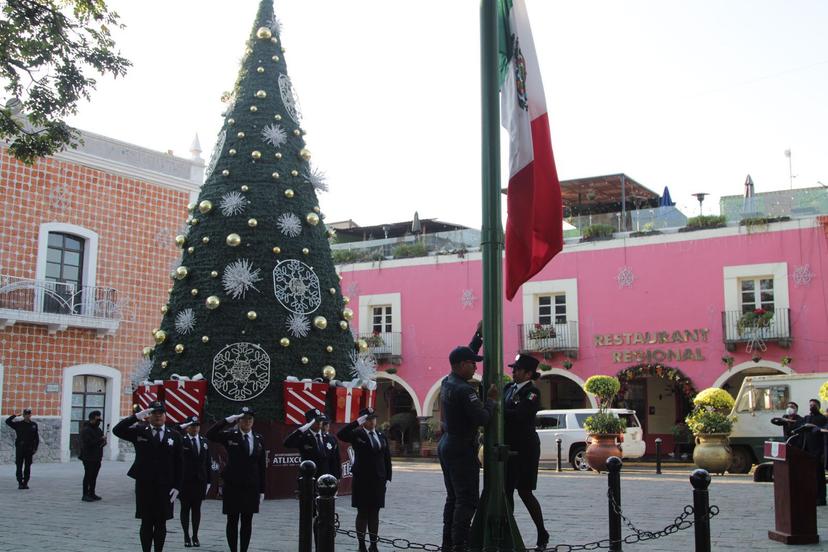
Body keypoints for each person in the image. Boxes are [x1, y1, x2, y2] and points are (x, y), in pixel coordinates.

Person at [438, 337, 498, 552]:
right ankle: (460, 544)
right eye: (472, 363)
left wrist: (478, 337)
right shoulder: (464, 390)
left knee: (453, 497)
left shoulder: (448, 381)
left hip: (447, 443)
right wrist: (491, 400)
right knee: (467, 500)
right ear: (462, 365)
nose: (475, 367)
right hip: (461, 448)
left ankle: (448, 543)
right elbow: (482, 419)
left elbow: (462, 355)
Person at [113, 401, 182, 552]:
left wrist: (177, 486)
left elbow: (180, 463)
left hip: (166, 486)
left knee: (161, 523)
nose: (158, 416)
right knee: (146, 522)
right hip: (145, 484)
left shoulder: (175, 435)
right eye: (154, 413)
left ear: (165, 416)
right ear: (148, 416)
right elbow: (117, 430)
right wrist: (135, 417)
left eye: (160, 413)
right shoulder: (140, 431)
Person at [503, 354, 549, 549]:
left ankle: (542, 531)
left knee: (524, 491)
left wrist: (498, 408)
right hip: (508, 446)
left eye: (517, 369)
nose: (513, 372)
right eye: (513, 368)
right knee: (506, 491)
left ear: (528, 373)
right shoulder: (508, 388)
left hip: (526, 448)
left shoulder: (532, 393)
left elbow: (520, 415)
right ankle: (508, 531)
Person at [206, 406, 266, 552]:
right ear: (238, 421)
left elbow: (261, 466)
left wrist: (262, 490)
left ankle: (244, 549)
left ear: (253, 420)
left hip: (251, 485)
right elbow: (210, 435)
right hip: (233, 484)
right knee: (232, 520)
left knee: (247, 521)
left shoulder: (258, 438)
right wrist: (226, 421)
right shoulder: (230, 435)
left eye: (250, 419)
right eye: (243, 419)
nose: (247, 422)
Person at [337, 407, 393, 552]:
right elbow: (341, 434)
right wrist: (357, 422)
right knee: (362, 513)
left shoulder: (380, 435)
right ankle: (361, 544)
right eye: (368, 419)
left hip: (378, 480)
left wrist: (387, 477)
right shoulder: (357, 434)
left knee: (375, 513)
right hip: (362, 479)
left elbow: (386, 457)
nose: (372, 421)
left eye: (373, 418)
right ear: (363, 421)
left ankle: (373, 544)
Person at [178, 416, 211, 548]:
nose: (195, 428)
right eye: (192, 426)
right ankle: (186, 535)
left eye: (197, 425)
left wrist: (209, 480)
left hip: (200, 481)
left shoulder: (204, 441)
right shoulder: (181, 440)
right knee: (185, 509)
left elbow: (208, 462)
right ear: (187, 427)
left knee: (197, 509)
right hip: (185, 481)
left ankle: (195, 535)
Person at [284, 408, 340, 478]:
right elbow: (287, 443)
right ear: (309, 423)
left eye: (321, 420)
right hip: (308, 478)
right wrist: (302, 429)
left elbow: (334, 460)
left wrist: (337, 477)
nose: (320, 423)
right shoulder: (304, 437)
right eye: (316, 421)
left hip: (325, 478)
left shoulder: (330, 438)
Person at [801, 399, 827, 506]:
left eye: (814, 405)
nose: (812, 406)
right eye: (810, 405)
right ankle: (812, 496)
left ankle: (821, 498)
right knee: (810, 476)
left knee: (819, 476)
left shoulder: (822, 418)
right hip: (807, 451)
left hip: (818, 452)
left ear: (818, 406)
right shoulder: (807, 418)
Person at [5, 408, 39, 489]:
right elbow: (7, 421)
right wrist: (15, 415)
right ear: (23, 415)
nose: (27, 416)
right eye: (25, 414)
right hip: (20, 448)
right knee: (19, 466)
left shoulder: (33, 425)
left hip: (29, 449)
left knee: (28, 466)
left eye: (28, 414)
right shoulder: (18, 424)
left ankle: (26, 482)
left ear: (30, 415)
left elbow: (36, 438)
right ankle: (20, 482)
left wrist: (35, 448)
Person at [80, 410, 106, 501]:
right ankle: (85, 494)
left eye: (99, 420)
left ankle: (92, 492)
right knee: (88, 475)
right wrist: (100, 439)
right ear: (92, 419)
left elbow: (101, 441)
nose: (98, 422)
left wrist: (103, 441)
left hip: (97, 456)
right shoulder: (86, 430)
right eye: (97, 420)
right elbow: (88, 443)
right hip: (88, 457)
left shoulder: (98, 429)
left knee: (94, 476)